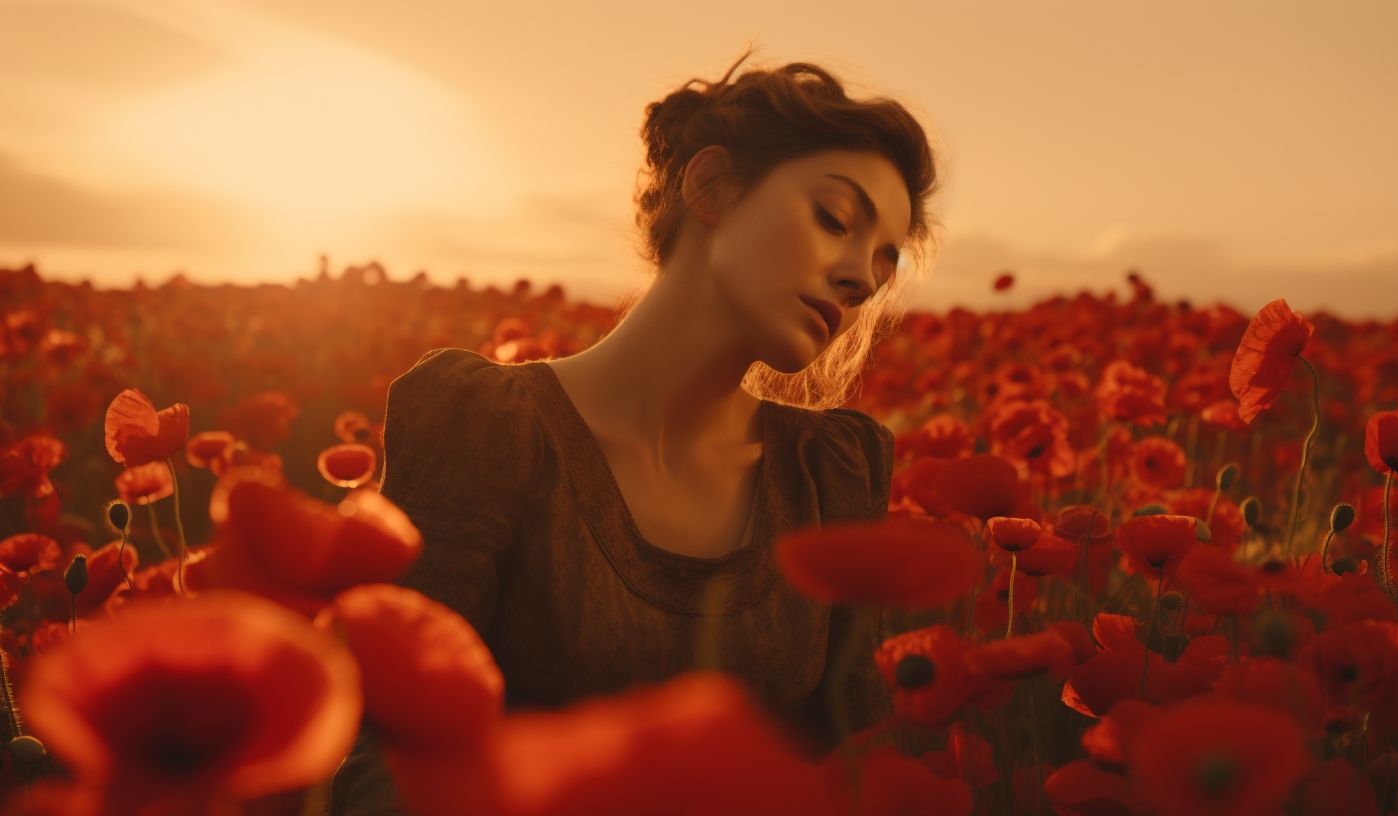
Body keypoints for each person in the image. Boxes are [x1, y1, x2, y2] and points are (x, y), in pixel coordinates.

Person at [329, 45, 943, 814]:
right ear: (712, 185)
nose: (859, 277)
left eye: (882, 266)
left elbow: (854, 769)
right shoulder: (488, 425)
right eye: (835, 219)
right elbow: (394, 758)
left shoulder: (833, 470)